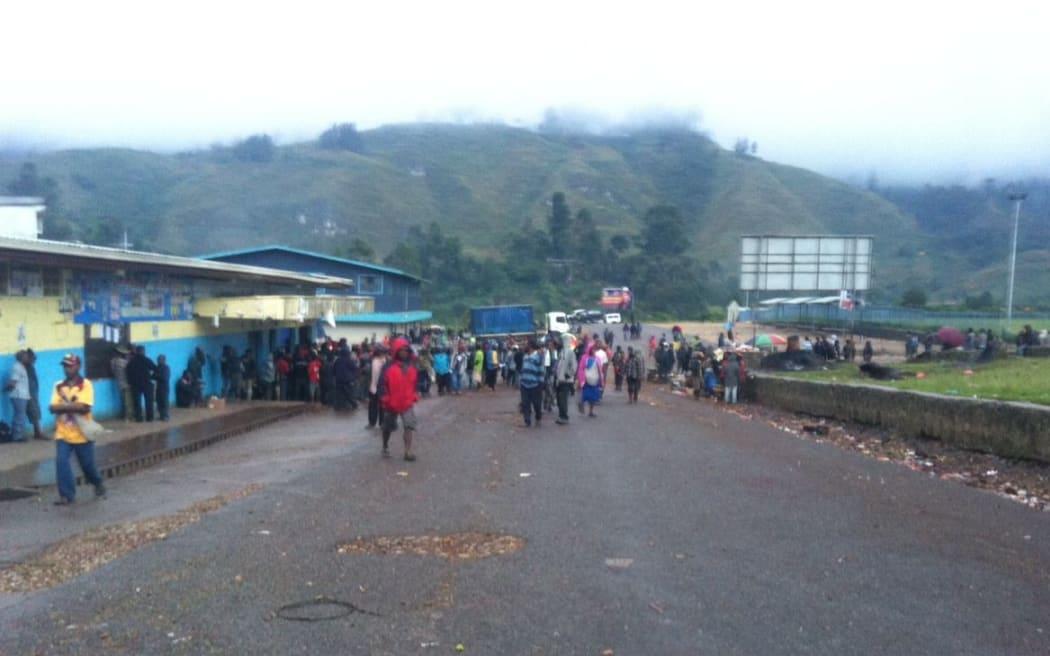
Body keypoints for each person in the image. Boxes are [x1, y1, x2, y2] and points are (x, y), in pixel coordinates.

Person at [49, 353, 106, 505]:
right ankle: (67, 495)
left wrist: (63, 407)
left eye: (70, 365)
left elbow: (84, 407)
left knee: (87, 466)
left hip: (82, 433)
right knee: (61, 462)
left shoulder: (85, 385)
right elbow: (52, 407)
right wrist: (71, 406)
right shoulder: (58, 386)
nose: (67, 369)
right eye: (65, 366)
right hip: (63, 433)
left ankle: (97, 482)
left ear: (78, 366)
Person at [379, 337, 420, 461]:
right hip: (391, 402)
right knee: (388, 427)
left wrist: (415, 394)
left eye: (406, 350)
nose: (404, 352)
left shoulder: (412, 366)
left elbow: (415, 383)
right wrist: (385, 398)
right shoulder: (388, 366)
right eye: (401, 350)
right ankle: (385, 445)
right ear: (396, 351)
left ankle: (408, 451)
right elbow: (381, 384)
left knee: (409, 425)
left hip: (407, 402)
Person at [125, 345, 157, 422]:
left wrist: (130, 382)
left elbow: (128, 373)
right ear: (143, 351)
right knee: (148, 401)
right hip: (146, 383)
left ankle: (139, 418)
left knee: (137, 402)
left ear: (136, 351)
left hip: (135, 384)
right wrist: (151, 377)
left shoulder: (131, 362)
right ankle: (150, 417)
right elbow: (155, 369)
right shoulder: (146, 360)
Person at [5, 350, 31, 442]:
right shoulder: (17, 367)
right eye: (26, 357)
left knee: (20, 415)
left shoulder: (21, 367)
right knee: (20, 416)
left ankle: (18, 435)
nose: (28, 358)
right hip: (18, 395)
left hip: (22, 395)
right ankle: (17, 436)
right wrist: (7, 388)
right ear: (21, 357)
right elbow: (13, 382)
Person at [519, 339, 545, 427]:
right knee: (525, 403)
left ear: (530, 346)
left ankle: (538, 417)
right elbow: (523, 369)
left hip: (535, 385)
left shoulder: (538, 357)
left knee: (536, 403)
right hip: (524, 384)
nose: (524, 346)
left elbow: (541, 371)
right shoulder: (525, 356)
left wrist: (541, 384)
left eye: (526, 345)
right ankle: (527, 419)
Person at [552, 336, 577, 425]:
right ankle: (561, 416)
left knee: (563, 399)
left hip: (566, 381)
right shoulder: (561, 352)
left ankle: (564, 417)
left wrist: (568, 375)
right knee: (559, 399)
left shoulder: (570, 352)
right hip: (559, 379)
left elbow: (574, 366)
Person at [576, 341, 605, 417]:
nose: (594, 350)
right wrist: (581, 379)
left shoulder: (598, 359)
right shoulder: (584, 358)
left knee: (593, 397)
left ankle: (591, 411)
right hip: (586, 380)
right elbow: (581, 369)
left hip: (595, 380)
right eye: (592, 349)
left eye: (595, 349)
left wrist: (601, 380)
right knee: (585, 395)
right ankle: (581, 404)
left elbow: (600, 370)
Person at [24, 349, 46, 440]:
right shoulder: (26, 368)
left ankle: (37, 432)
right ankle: (38, 432)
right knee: (34, 412)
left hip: (33, 392)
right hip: (30, 393)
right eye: (33, 358)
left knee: (36, 411)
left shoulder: (30, 367)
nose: (34, 360)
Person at [366, 344, 389, 429]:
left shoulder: (385, 361)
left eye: (383, 352)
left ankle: (382, 423)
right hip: (373, 387)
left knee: (382, 406)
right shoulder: (372, 360)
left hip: (382, 387)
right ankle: (372, 422)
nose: (382, 353)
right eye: (381, 352)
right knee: (372, 406)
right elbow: (369, 374)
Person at [111, 344, 132, 420]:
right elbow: (130, 368)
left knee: (124, 400)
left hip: (119, 383)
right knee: (128, 401)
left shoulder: (113, 361)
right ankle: (128, 417)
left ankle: (126, 416)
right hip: (126, 383)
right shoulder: (123, 362)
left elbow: (113, 372)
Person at [154, 354, 171, 421]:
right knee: (159, 401)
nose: (158, 361)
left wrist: (157, 376)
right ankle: (161, 415)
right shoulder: (158, 367)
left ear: (164, 360)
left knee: (164, 401)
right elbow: (153, 376)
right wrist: (157, 376)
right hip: (158, 387)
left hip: (164, 387)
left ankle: (165, 415)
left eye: (160, 360)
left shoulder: (166, 368)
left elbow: (164, 378)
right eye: (158, 360)